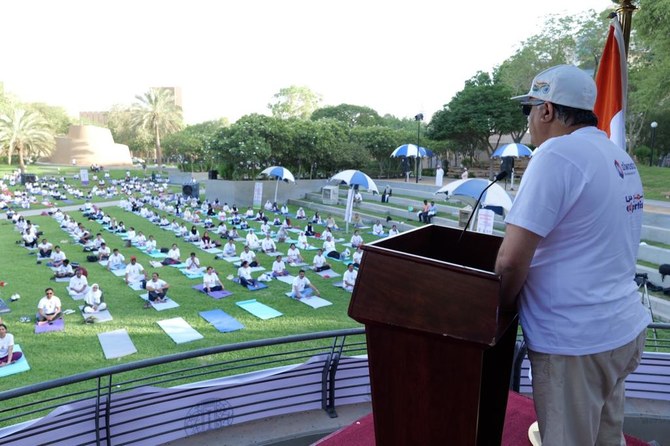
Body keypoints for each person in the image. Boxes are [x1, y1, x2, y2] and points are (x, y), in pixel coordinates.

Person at [494, 65, 650, 445]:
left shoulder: (555, 155)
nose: (529, 119)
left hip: (575, 343)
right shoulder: (618, 157)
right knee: (604, 439)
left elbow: (512, 260)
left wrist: (494, 310)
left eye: (529, 109)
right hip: (621, 331)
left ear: (546, 110)